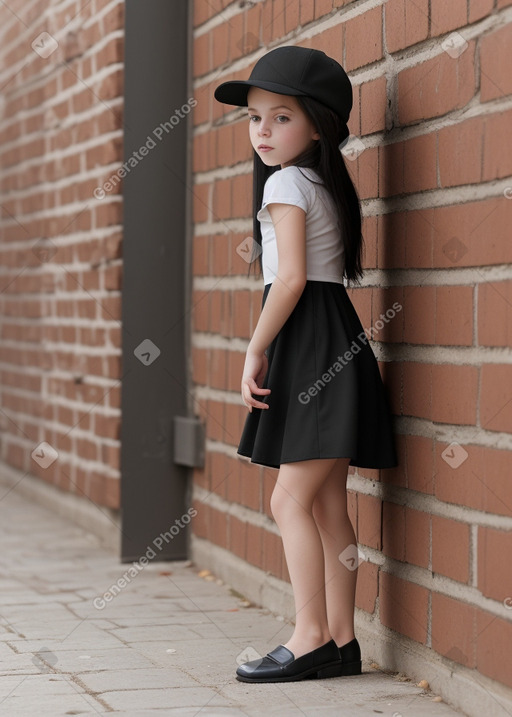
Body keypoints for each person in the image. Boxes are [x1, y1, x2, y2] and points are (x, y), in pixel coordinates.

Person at [214, 46, 397, 684]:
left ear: (318, 125)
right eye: (255, 117)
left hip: (308, 341)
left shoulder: (287, 182)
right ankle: (342, 641)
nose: (262, 131)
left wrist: (255, 346)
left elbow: (288, 280)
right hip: (333, 337)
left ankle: (310, 634)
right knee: (325, 506)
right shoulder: (322, 181)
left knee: (287, 502)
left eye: (280, 117)